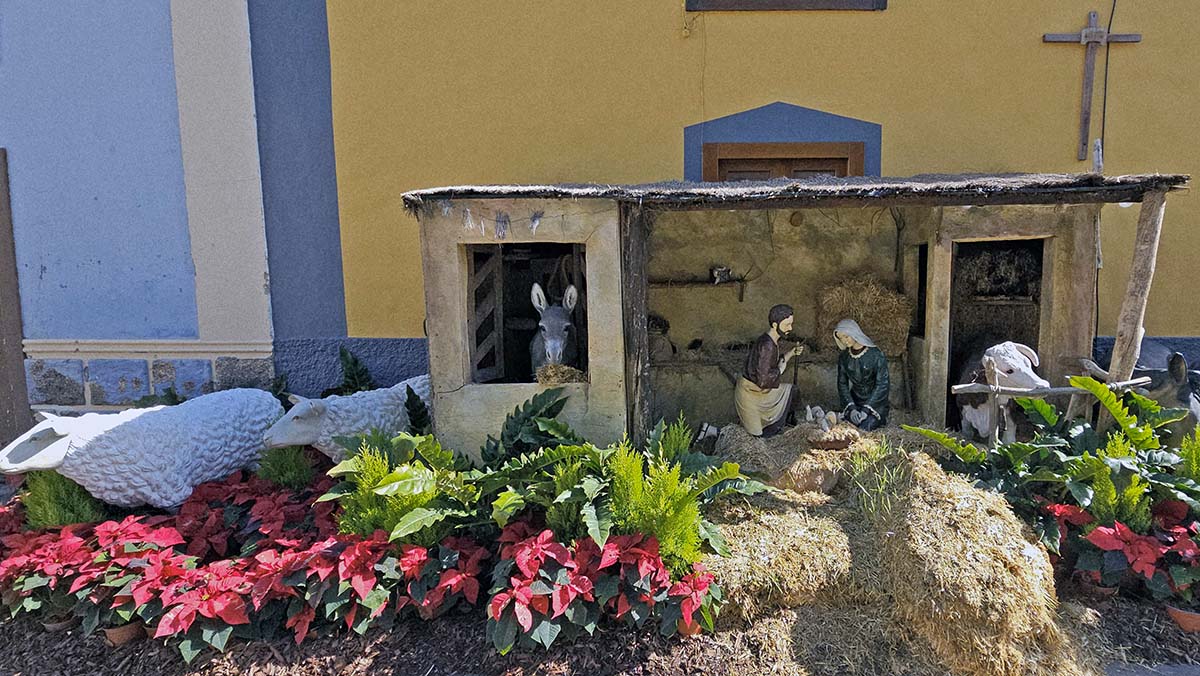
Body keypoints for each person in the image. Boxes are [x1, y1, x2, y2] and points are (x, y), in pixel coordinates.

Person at [735, 304, 804, 437]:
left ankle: (785, 424)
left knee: (791, 391)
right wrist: (780, 370)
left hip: (761, 392)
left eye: (791, 324)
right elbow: (763, 379)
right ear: (774, 325)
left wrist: (791, 353)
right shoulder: (767, 346)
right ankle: (710, 431)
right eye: (787, 325)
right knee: (757, 436)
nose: (790, 328)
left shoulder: (771, 340)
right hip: (751, 394)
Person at [835, 318, 889, 431]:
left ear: (854, 333)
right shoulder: (844, 357)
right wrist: (852, 407)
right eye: (841, 338)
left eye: (846, 336)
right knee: (846, 427)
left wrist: (867, 409)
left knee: (864, 427)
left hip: (875, 404)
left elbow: (882, 384)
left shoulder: (876, 355)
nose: (844, 341)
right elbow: (842, 384)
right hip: (855, 401)